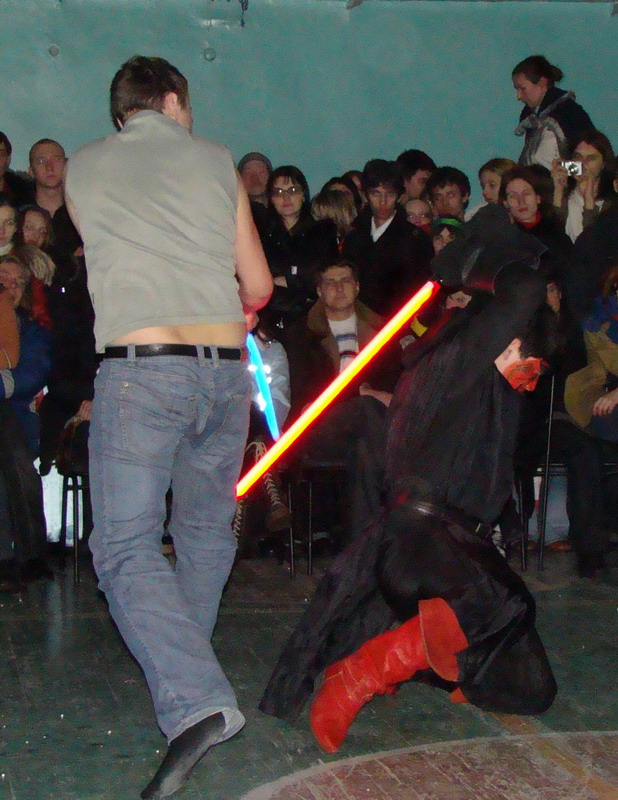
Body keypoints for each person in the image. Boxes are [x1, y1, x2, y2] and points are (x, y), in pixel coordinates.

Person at [260, 205, 558, 752]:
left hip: (445, 552)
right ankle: (363, 673)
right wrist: (472, 259)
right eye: (525, 354)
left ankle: (446, 660)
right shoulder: (461, 357)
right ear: (497, 332)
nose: (529, 369)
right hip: (423, 546)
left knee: (533, 689)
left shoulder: (471, 376)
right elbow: (525, 290)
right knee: (507, 605)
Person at [64, 55, 272, 800]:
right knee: (206, 532)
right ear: (174, 100)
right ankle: (189, 682)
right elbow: (258, 285)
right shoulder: (216, 159)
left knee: (124, 543)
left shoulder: (82, 168)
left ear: (122, 112)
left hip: (142, 372)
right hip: (223, 375)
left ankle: (194, 697)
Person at [342, 159, 432, 317]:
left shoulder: (416, 240)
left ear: (398, 196)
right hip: (357, 319)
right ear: (366, 195)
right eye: (375, 194)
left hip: (398, 321)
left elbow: (420, 292)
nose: (383, 201)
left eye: (389, 194)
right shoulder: (353, 238)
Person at [512, 55, 594, 170]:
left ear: (542, 83)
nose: (519, 96)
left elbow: (590, 167)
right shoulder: (532, 118)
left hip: (563, 181)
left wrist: (562, 170)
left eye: (522, 88)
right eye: (517, 89)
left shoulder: (570, 114)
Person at [550, 129, 616, 242]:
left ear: (604, 164)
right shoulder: (562, 196)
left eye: (591, 158)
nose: (583, 163)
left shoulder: (612, 204)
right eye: (578, 156)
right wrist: (558, 192)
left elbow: (595, 243)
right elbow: (554, 239)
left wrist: (589, 201)